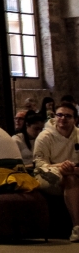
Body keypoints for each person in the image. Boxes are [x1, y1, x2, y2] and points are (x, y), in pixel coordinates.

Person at [32, 100, 79, 242]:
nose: (63, 118)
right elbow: (39, 164)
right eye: (59, 115)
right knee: (69, 179)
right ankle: (77, 227)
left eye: (67, 116)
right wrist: (61, 167)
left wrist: (73, 169)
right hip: (47, 174)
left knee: (71, 177)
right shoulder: (45, 137)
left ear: (75, 120)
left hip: (74, 172)